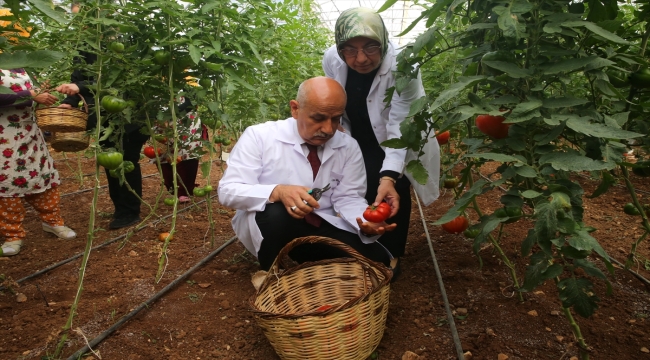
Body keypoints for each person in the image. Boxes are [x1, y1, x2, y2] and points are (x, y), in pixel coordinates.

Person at [218, 77, 396, 270]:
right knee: (276, 213)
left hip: (321, 223)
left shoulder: (347, 146)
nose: (328, 129)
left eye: (336, 119)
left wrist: (365, 223)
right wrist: (277, 192)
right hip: (274, 225)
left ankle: (307, 263)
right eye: (318, 118)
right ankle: (272, 270)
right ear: (295, 109)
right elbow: (228, 190)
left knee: (380, 265)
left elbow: (348, 197)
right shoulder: (260, 137)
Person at [322, 7, 440, 267]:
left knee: (392, 186)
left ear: (384, 41)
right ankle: (357, 244)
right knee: (354, 182)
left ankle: (390, 254)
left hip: (395, 133)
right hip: (357, 129)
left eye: (371, 47)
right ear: (340, 49)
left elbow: (401, 121)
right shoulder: (332, 58)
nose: (361, 58)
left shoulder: (405, 64)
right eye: (350, 50)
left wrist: (388, 176)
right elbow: (336, 98)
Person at [0, 68, 77, 256]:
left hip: (29, 133)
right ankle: (13, 235)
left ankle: (53, 222)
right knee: (8, 183)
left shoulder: (20, 67)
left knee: (41, 176)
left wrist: (45, 98)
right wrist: (31, 95)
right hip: (4, 136)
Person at [156, 95, 208, 202]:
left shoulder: (190, 82)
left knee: (188, 152)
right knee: (164, 153)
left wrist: (171, 112)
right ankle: (172, 188)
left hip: (185, 120)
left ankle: (184, 190)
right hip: (162, 120)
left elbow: (191, 102)